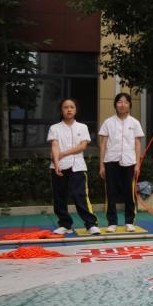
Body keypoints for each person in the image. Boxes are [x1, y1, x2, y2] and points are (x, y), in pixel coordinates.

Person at [48, 98, 100, 235]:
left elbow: (82, 146)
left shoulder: (82, 127)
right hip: (59, 166)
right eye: (65, 107)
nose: (69, 109)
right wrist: (56, 163)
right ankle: (65, 224)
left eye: (72, 107)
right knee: (59, 196)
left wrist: (63, 153)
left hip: (77, 166)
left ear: (76, 110)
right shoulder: (54, 128)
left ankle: (91, 224)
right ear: (61, 110)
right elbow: (54, 145)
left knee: (80, 195)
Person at [98, 92, 144, 232]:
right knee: (110, 192)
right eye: (119, 102)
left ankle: (129, 221)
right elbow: (103, 144)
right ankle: (112, 222)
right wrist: (101, 165)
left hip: (129, 162)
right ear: (115, 105)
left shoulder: (134, 123)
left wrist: (137, 164)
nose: (122, 104)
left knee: (129, 192)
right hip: (111, 160)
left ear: (129, 105)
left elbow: (137, 144)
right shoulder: (108, 122)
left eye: (125, 102)